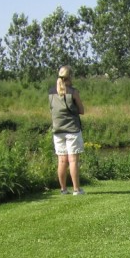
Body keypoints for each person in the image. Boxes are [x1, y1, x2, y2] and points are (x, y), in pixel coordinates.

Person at [49, 66, 86, 195]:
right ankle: (76, 189)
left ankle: (63, 189)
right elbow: (81, 111)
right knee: (73, 160)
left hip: (58, 130)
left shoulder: (51, 92)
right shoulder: (73, 92)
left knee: (62, 160)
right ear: (70, 77)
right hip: (72, 130)